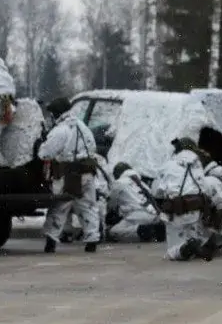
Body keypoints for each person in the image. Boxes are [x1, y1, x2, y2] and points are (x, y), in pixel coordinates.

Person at [38, 103, 100, 253]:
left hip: (69, 174)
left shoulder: (61, 130)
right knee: (88, 207)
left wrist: (40, 145)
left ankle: (51, 241)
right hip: (88, 172)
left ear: (57, 114)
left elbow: (45, 153)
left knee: (60, 207)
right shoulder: (83, 127)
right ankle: (92, 241)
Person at [150, 138, 218, 261]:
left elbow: (156, 191)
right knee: (192, 235)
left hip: (177, 212)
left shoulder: (168, 165)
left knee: (173, 252)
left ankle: (185, 248)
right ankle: (204, 242)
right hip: (197, 212)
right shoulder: (197, 165)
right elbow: (206, 189)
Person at [107, 162, 165, 243]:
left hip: (136, 215)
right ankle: (156, 229)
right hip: (154, 214)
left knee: (113, 232)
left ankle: (143, 231)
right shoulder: (142, 183)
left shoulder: (118, 183)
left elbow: (111, 205)